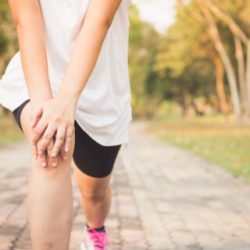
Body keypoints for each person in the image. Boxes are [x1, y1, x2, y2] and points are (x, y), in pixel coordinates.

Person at [0, 0, 132, 249]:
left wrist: (68, 99)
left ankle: (95, 229)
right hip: (39, 73)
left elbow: (98, 21)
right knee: (50, 147)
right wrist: (43, 110)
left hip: (99, 88)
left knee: (94, 193)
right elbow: (27, 20)